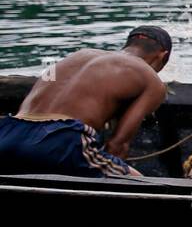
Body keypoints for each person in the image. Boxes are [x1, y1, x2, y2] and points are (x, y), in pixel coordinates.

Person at [0, 26, 172, 177]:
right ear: (162, 56)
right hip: (61, 139)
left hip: (9, 132)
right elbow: (117, 145)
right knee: (142, 184)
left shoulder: (78, 56)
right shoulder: (153, 81)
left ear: (128, 44)